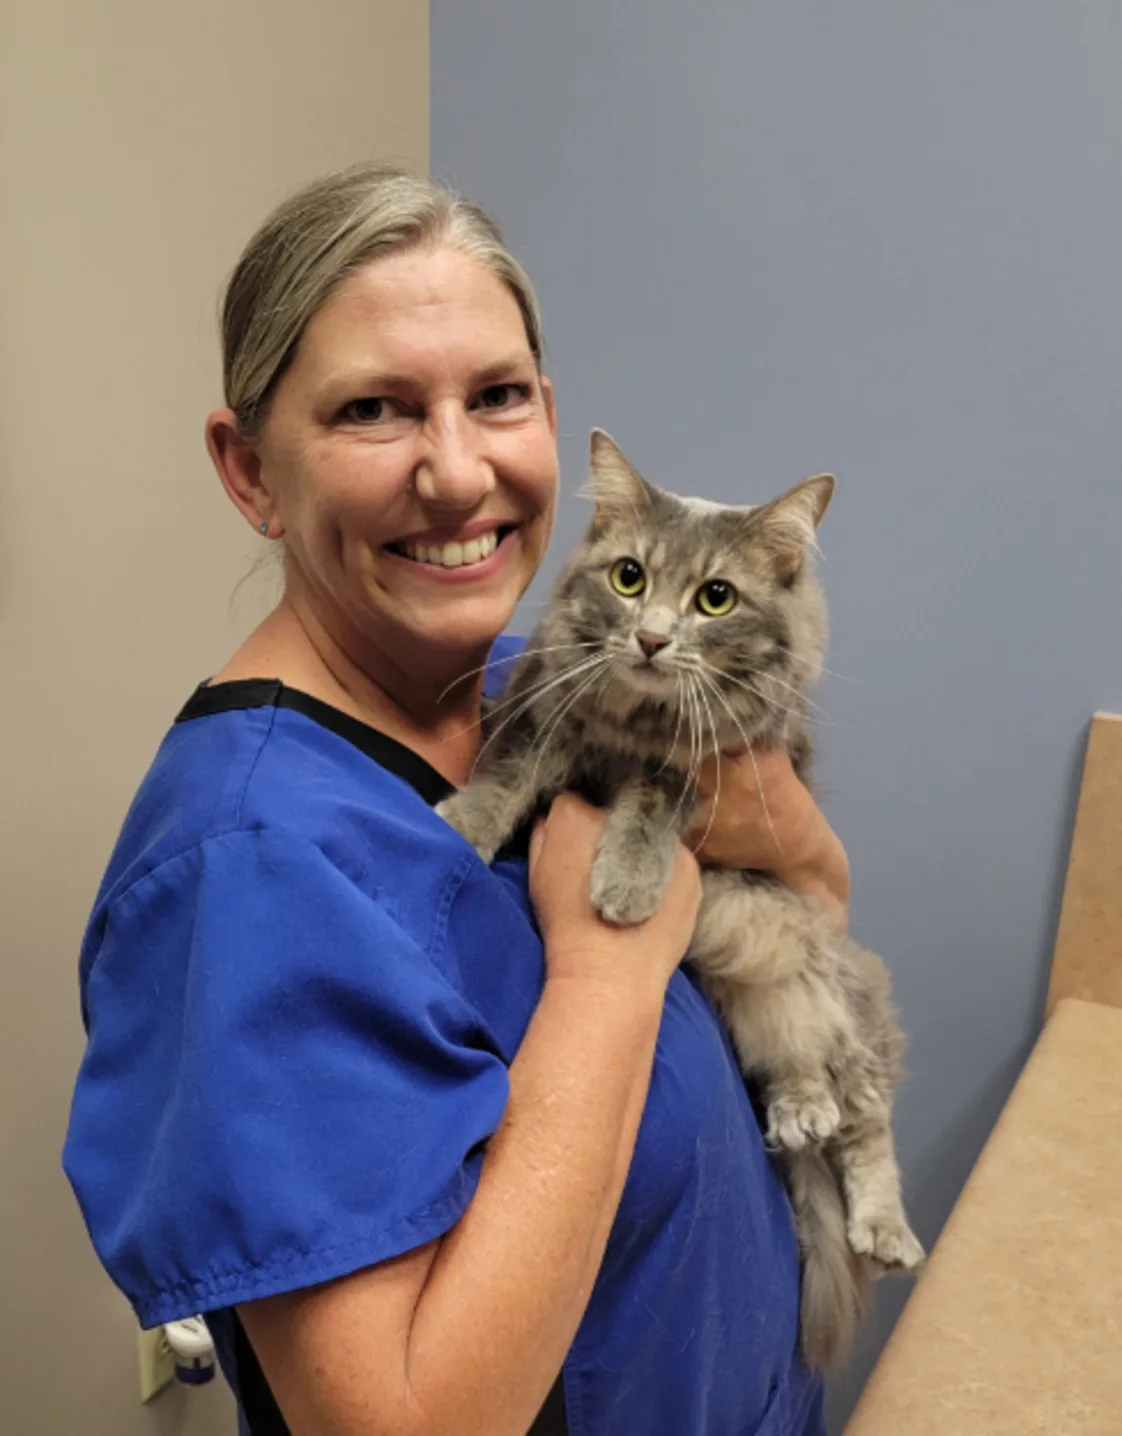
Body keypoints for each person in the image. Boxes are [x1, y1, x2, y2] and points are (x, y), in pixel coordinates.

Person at [64, 164, 851, 1436]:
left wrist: (781, 850)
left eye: (494, 397)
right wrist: (607, 969)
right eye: (374, 409)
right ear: (250, 469)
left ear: (548, 412)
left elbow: (813, 896)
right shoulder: (248, 869)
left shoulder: (535, 686)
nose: (456, 470)